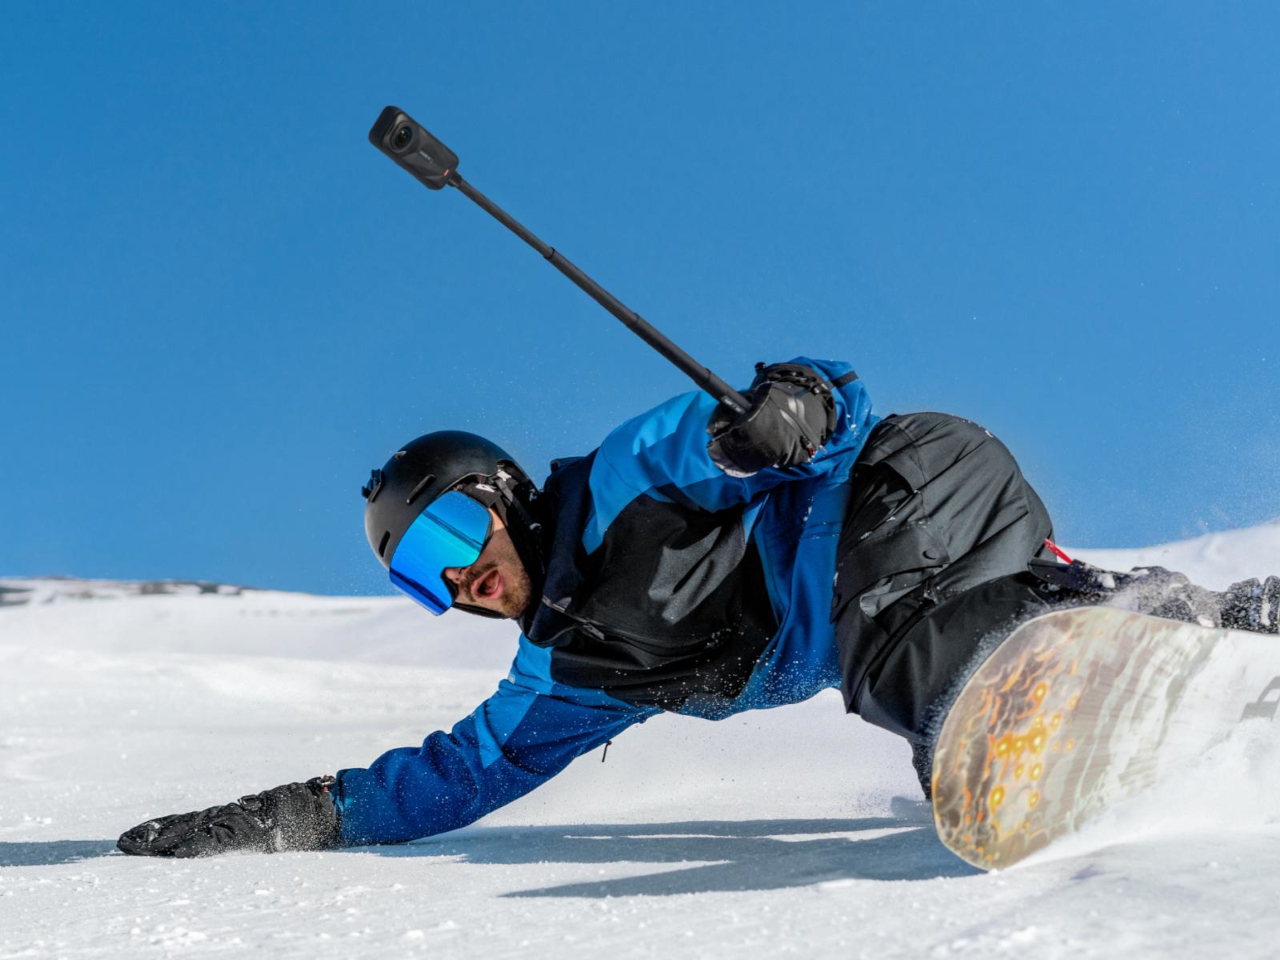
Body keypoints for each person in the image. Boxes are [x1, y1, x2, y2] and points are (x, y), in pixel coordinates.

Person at [117, 359, 1280, 857]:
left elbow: (783, 406)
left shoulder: (621, 483)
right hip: (927, 582)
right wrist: (294, 817)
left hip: (903, 486)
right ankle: (1220, 634)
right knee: (960, 673)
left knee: (913, 667)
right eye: (423, 576)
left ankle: (1038, 712)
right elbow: (451, 778)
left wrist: (785, 409)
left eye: (450, 535)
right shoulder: (566, 677)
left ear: (500, 493)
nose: (457, 578)